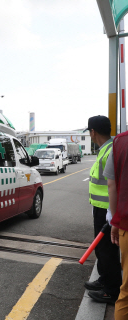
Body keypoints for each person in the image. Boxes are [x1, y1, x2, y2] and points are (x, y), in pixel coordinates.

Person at [83, 115, 121, 304]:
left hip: (107, 210)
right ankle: (104, 280)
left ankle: (112, 291)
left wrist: (112, 215)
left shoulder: (110, 150)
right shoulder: (106, 149)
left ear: (93, 132)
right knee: (102, 249)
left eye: (89, 132)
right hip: (100, 208)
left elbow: (114, 185)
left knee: (107, 251)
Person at [108, 129, 128, 318]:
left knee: (126, 293)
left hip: (126, 225)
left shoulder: (120, 142)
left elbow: (112, 185)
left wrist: (116, 220)